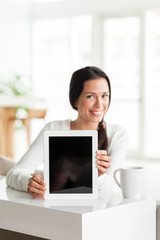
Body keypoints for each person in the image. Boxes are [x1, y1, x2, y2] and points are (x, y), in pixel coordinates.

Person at [6, 66, 129, 198]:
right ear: (75, 100)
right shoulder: (54, 129)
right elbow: (14, 173)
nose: (99, 104)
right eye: (90, 96)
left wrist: (97, 176)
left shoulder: (117, 134)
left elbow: (109, 191)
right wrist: (28, 183)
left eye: (104, 96)